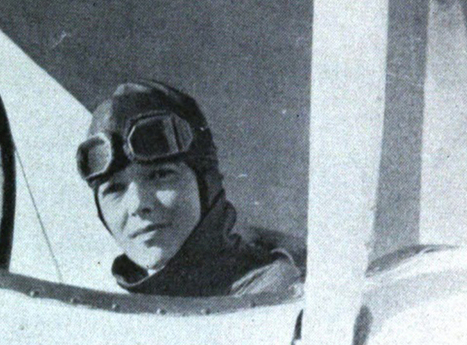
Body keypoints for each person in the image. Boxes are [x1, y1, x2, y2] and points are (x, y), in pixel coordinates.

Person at [76, 80, 303, 297]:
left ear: (206, 184)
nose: (138, 204)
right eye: (114, 189)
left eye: (160, 175)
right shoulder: (124, 310)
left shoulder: (282, 293)